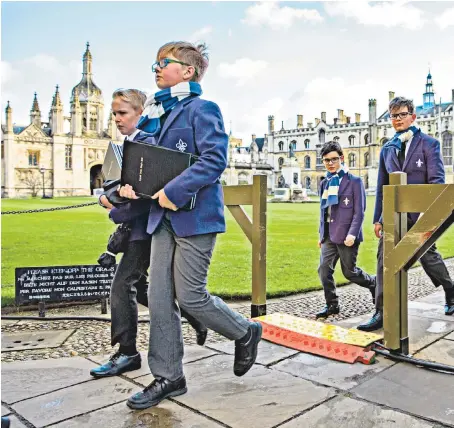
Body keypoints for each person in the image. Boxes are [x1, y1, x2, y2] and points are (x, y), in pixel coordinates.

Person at [119, 41, 262, 410]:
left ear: (187, 71)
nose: (155, 68)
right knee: (161, 299)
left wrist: (174, 190)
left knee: (190, 295)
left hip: (195, 216)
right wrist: (130, 185)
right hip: (160, 218)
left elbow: (214, 160)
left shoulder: (203, 109)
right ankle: (169, 376)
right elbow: (146, 161)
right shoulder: (158, 114)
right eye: (154, 63)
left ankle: (245, 332)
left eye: (162, 63)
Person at [91, 89, 207, 379]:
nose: (117, 119)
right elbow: (116, 186)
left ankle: (127, 352)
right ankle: (194, 315)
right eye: (114, 114)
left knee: (122, 286)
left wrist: (114, 205)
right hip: (135, 228)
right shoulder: (128, 143)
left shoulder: (147, 143)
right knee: (142, 288)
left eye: (123, 113)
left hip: (145, 229)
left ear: (140, 114)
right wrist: (113, 195)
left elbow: (146, 196)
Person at [357, 96, 454, 332]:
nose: (397, 119)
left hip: (419, 217)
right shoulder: (387, 149)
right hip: (391, 217)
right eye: (393, 116)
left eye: (401, 114)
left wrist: (427, 215)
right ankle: (381, 312)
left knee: (428, 258)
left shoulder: (429, 144)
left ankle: (450, 290)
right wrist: (378, 218)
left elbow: (437, 182)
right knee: (384, 263)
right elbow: (382, 185)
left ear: (413, 116)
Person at [315, 141, 376, 319]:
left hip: (347, 235)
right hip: (328, 236)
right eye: (326, 160)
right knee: (324, 271)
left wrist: (352, 234)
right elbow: (323, 211)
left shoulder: (354, 181)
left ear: (341, 158)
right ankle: (332, 305)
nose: (330, 163)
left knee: (350, 272)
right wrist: (321, 235)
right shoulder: (324, 182)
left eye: (334, 159)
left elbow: (359, 212)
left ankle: (373, 283)